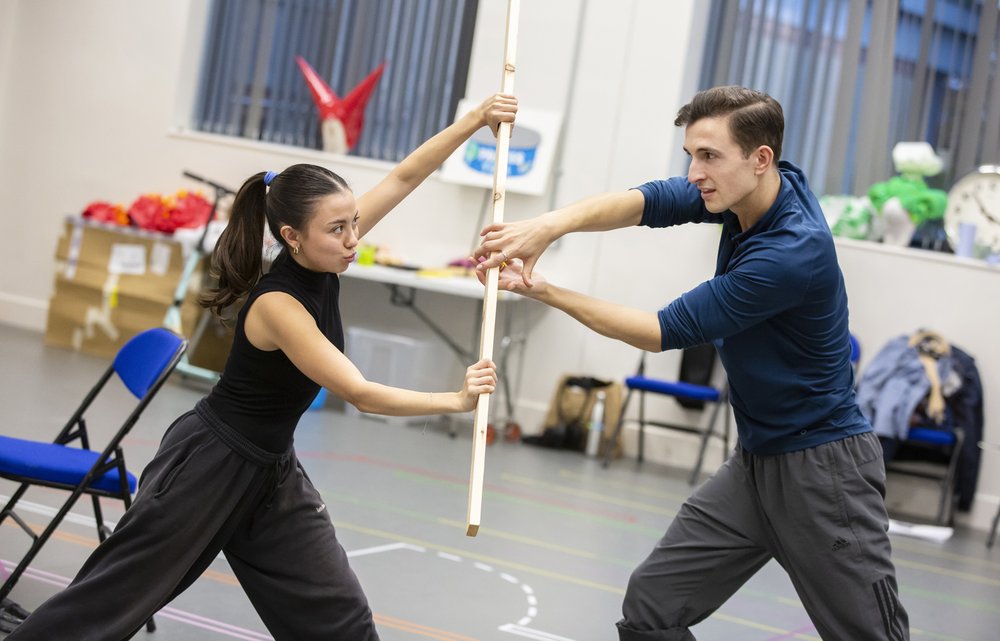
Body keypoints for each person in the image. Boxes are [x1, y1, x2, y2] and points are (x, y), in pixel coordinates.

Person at [8, 93, 516, 641]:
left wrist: (473, 120)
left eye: (353, 224)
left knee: (339, 622)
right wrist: (457, 400)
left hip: (271, 471)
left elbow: (405, 176)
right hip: (209, 466)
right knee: (103, 609)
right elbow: (359, 393)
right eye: (338, 230)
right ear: (291, 237)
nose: (353, 241)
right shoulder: (279, 305)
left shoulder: (325, 254)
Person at [473, 86, 909, 641]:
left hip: (824, 473)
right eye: (691, 156)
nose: (695, 173)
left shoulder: (789, 254)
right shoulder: (760, 187)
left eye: (709, 157)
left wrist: (544, 290)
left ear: (760, 158)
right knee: (652, 609)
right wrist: (548, 226)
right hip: (757, 462)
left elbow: (662, 331)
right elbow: (649, 200)